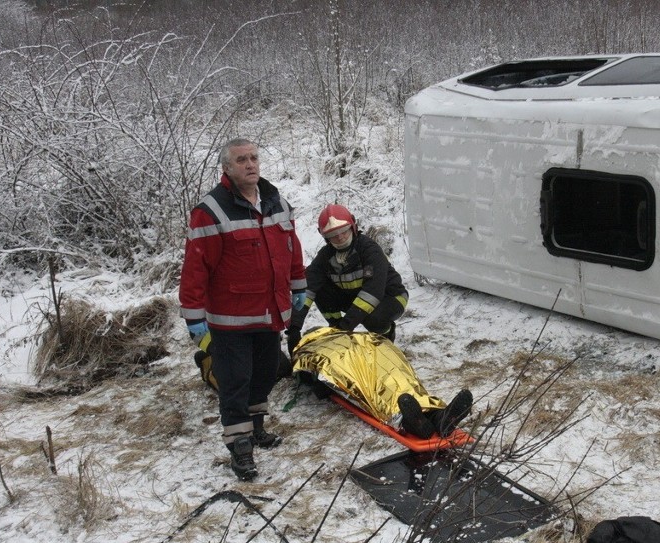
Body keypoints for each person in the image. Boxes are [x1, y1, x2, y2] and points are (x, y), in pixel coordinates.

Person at [179, 138, 307, 481]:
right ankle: (240, 449)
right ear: (226, 168)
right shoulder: (211, 210)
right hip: (230, 320)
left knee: (264, 374)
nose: (250, 164)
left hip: (269, 314)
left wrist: (299, 285)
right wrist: (194, 315)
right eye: (241, 160)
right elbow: (196, 267)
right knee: (235, 383)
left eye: (253, 158)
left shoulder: (276, 201)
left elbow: (291, 249)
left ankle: (256, 429)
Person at [293, 327, 473, 439]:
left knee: (371, 391)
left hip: (348, 360)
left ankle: (411, 422)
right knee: (403, 380)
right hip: (375, 349)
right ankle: (438, 415)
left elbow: (313, 379)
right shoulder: (354, 334)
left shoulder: (308, 349)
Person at [286, 204, 408, 357]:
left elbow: (372, 292)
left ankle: (385, 335)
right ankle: (336, 332)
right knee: (320, 288)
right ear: (324, 236)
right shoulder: (325, 256)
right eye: (333, 234)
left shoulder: (369, 250)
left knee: (374, 318)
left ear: (353, 226)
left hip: (390, 297)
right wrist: (294, 328)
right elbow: (308, 289)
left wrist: (346, 326)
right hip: (355, 297)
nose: (340, 237)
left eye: (344, 231)